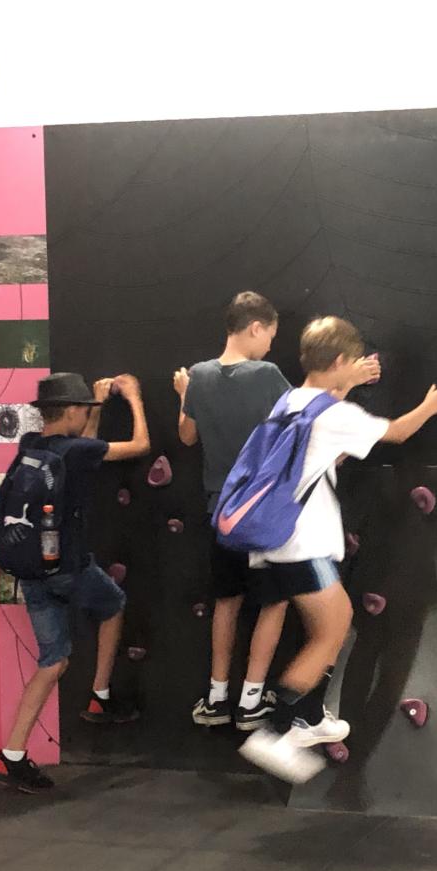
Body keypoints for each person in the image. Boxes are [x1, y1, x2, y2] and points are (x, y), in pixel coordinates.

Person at [239, 315, 437, 783]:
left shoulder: (291, 401)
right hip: (302, 545)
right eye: (353, 363)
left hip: (280, 542)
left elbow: (330, 443)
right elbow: (396, 432)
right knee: (331, 631)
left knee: (333, 626)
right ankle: (275, 732)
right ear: (340, 359)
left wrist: (349, 383)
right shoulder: (333, 416)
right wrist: (431, 405)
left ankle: (310, 715)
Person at [0, 372, 151, 792]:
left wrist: (94, 406)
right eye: (84, 410)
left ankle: (11, 756)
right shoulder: (75, 451)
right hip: (68, 570)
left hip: (33, 573)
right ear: (74, 411)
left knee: (53, 662)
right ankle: (100, 695)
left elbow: (83, 448)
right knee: (113, 604)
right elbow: (140, 446)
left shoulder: (31, 446)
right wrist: (133, 398)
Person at [174, 291, 292, 731]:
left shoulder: (200, 376)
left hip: (219, 508)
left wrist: (184, 395)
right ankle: (251, 700)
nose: (270, 346)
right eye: (270, 336)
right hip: (261, 510)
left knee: (226, 600)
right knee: (274, 600)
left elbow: (187, 437)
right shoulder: (267, 375)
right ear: (255, 327)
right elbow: (298, 421)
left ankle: (217, 696)